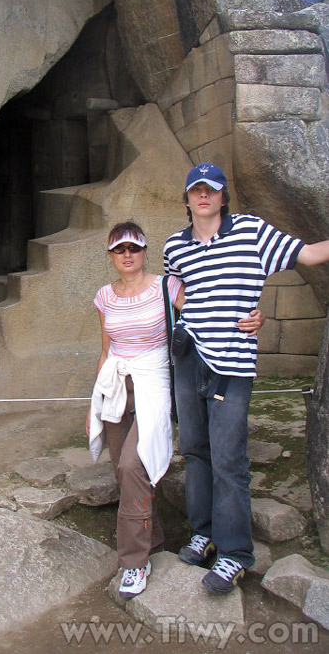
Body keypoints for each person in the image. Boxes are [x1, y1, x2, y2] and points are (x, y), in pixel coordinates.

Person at [163, 162, 329, 595]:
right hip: (189, 358)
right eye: (196, 190)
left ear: (222, 197)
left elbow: (309, 254)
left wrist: (253, 316)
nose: (204, 197)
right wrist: (199, 315)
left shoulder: (251, 232)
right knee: (196, 452)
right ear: (186, 199)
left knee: (229, 458)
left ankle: (235, 553)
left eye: (212, 190)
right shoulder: (174, 246)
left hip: (233, 363)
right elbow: (176, 288)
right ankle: (203, 533)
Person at [87, 221, 263, 599]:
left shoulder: (167, 286)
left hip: (155, 381)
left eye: (134, 247)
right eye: (119, 249)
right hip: (117, 385)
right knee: (125, 471)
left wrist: (253, 317)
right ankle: (154, 542)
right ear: (110, 256)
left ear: (145, 251)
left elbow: (208, 313)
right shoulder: (104, 296)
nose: (127, 255)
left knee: (135, 464)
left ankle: (134, 562)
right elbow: (106, 348)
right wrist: (95, 401)